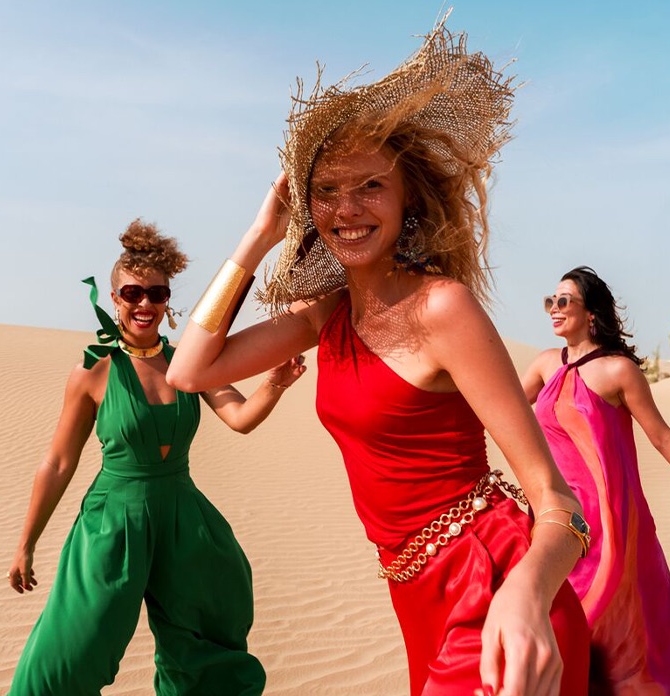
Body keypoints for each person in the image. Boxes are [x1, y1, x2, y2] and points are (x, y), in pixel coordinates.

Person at [166, 22, 592, 696]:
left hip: (493, 587)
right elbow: (190, 371)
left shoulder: (443, 308)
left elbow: (561, 507)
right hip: (414, 593)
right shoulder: (328, 315)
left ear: (406, 199)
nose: (347, 209)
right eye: (326, 191)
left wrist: (525, 597)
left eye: (369, 186)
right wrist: (256, 236)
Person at [6, 219, 304, 695]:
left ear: (169, 303)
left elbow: (241, 417)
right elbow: (58, 463)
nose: (145, 303)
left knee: (206, 651)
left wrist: (274, 383)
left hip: (183, 520)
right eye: (133, 292)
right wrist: (27, 542)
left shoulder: (188, 362)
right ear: (114, 299)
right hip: (114, 521)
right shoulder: (92, 373)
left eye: (157, 294)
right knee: (72, 649)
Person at [524, 266, 670, 695]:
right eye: (551, 301)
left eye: (564, 302)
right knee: (555, 601)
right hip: (554, 510)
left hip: (606, 514)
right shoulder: (545, 364)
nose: (553, 310)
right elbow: (504, 409)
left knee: (600, 606)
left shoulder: (618, 372)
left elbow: (661, 435)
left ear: (591, 314)